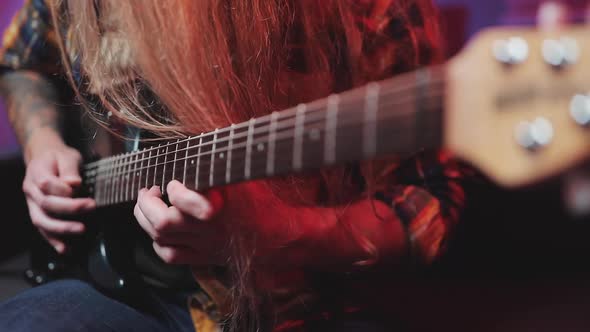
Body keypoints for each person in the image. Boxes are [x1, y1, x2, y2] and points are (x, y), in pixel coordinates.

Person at [0, 0, 466, 331]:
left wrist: (280, 231)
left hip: (306, 307)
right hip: (122, 293)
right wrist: (42, 142)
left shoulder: (368, 9)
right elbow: (22, 61)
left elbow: (428, 209)